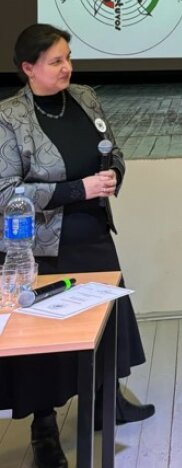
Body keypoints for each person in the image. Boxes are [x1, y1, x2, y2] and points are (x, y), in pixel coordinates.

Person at [0, 24, 155, 468]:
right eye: (55, 61)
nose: (67, 67)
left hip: (93, 232)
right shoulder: (10, 117)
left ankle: (107, 402)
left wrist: (114, 173)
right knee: (44, 345)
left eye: (68, 57)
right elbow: (6, 192)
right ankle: (44, 430)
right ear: (28, 68)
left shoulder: (85, 97)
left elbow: (113, 150)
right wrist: (77, 190)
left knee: (105, 321)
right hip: (43, 247)